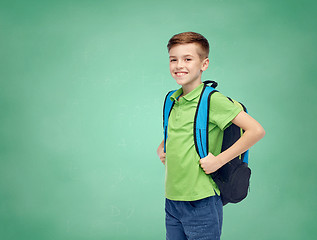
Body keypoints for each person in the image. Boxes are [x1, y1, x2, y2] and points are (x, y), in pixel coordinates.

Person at [156, 32, 265, 240]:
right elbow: (177, 130)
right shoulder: (172, 99)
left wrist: (219, 161)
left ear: (204, 64)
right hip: (172, 200)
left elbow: (256, 130)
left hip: (201, 201)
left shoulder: (212, 100)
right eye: (173, 59)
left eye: (188, 59)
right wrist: (162, 147)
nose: (179, 65)